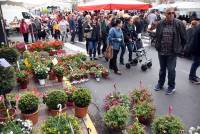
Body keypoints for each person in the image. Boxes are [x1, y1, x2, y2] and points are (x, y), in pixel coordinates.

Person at [154, 7, 187, 95]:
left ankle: (171, 86)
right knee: (162, 69)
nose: (171, 14)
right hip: (161, 51)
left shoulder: (179, 23)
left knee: (171, 70)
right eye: (169, 13)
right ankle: (160, 84)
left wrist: (182, 49)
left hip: (172, 52)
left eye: (173, 13)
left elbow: (184, 38)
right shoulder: (160, 23)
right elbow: (157, 35)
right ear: (165, 14)